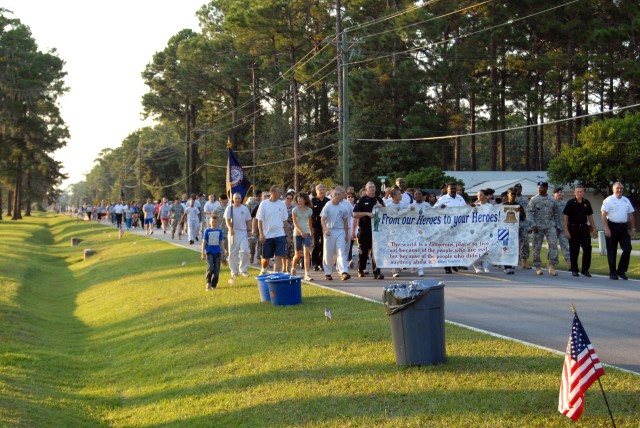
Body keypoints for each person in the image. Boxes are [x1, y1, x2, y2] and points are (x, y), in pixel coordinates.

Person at [601, 182, 636, 280]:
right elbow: (603, 215)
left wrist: (633, 228)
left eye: (621, 188)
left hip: (623, 228)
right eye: (617, 188)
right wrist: (606, 228)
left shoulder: (626, 200)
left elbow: (630, 215)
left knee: (627, 248)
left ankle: (621, 270)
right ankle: (613, 273)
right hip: (612, 226)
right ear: (613, 189)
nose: (619, 190)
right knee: (612, 251)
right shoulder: (608, 200)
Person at [527, 181, 562, 276]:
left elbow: (557, 213)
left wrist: (558, 226)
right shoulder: (534, 199)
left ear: (546, 188)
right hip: (537, 226)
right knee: (536, 247)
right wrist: (533, 225)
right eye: (539, 187)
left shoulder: (552, 200)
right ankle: (538, 266)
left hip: (550, 225)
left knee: (553, 245)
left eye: (542, 188)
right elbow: (529, 213)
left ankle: (551, 266)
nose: (540, 189)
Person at [352, 181, 385, 279]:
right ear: (366, 190)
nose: (372, 189)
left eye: (374, 187)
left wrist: (382, 207)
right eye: (370, 187)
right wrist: (367, 213)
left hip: (376, 230)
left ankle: (377, 272)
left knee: (376, 251)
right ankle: (361, 269)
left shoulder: (378, 199)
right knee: (364, 251)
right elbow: (355, 214)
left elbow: (387, 213)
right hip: (365, 229)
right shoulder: (362, 200)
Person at [563, 185, 597, 277]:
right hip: (573, 228)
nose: (579, 193)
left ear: (584, 193)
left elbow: (590, 216)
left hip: (584, 228)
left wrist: (594, 228)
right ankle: (574, 270)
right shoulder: (570, 202)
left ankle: (585, 270)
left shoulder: (586, 202)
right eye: (578, 191)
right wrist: (566, 230)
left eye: (581, 191)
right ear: (574, 193)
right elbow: (565, 216)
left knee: (587, 248)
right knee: (574, 250)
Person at [256, 186, 291, 275]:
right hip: (267, 235)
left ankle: (275, 274)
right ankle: (263, 269)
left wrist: (287, 235)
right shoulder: (264, 204)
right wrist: (261, 234)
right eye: (279, 192)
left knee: (279, 256)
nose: (280, 194)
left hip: (280, 234)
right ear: (273, 193)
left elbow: (285, 221)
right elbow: (259, 220)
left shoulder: (282, 204)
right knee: (266, 258)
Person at [321, 186, 351, 281]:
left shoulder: (343, 207)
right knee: (328, 253)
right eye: (335, 194)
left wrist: (346, 234)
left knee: (341, 251)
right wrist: (326, 229)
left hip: (340, 231)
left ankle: (343, 272)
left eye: (338, 194)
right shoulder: (327, 206)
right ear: (331, 195)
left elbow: (346, 222)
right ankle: (328, 273)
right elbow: (322, 220)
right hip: (329, 231)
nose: (337, 196)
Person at [439, 183, 466, 273]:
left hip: (458, 226)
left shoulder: (460, 198)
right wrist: (440, 208)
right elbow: (434, 210)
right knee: (447, 247)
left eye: (454, 188)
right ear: (447, 189)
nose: (453, 190)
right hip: (446, 227)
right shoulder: (443, 199)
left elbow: (466, 209)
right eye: (451, 188)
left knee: (456, 246)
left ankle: (454, 263)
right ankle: (447, 267)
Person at [224, 192, 253, 280]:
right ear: (233, 199)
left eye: (239, 198)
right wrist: (230, 228)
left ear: (241, 199)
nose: (237, 200)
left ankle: (243, 270)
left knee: (245, 251)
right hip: (233, 232)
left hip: (243, 232)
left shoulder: (245, 208)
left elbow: (248, 220)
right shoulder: (229, 208)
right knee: (233, 253)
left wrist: (249, 230)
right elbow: (227, 220)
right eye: (235, 198)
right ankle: (234, 271)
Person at [500, 188, 524, 274]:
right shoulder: (503, 205)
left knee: (512, 248)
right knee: (505, 248)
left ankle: (509, 266)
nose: (513, 196)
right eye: (512, 194)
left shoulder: (518, 205)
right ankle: (505, 266)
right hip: (504, 230)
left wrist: (520, 213)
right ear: (508, 195)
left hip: (514, 230)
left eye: (515, 194)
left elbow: (523, 218)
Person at [292, 192, 314, 281]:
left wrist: (311, 234)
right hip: (297, 233)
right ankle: (293, 268)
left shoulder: (309, 210)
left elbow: (309, 223)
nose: (299, 199)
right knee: (297, 254)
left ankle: (307, 273)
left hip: (307, 233)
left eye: (301, 198)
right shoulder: (295, 210)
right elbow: (295, 223)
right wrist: (301, 232)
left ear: (305, 199)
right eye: (298, 198)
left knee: (306, 253)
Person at [201, 214, 226, 291]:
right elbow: (204, 242)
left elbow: (221, 242)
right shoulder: (207, 231)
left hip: (217, 252)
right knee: (210, 267)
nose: (214, 224)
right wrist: (202, 253)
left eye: (215, 222)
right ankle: (208, 283)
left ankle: (213, 285)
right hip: (209, 252)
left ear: (218, 223)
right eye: (212, 222)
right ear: (209, 222)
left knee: (217, 269)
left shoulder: (219, 231)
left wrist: (224, 250)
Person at [472, 190, 491, 274]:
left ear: (486, 196)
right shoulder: (475, 206)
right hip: (477, 231)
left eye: (481, 195)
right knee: (476, 249)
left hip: (487, 230)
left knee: (486, 249)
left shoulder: (490, 206)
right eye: (478, 195)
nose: (479, 197)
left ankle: (486, 266)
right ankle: (477, 266)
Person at [311, 184, 329, 271]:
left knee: (324, 244)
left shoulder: (328, 201)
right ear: (316, 191)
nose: (321, 191)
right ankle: (315, 262)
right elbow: (310, 214)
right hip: (315, 225)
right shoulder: (313, 201)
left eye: (323, 190)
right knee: (316, 243)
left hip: (325, 226)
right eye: (320, 190)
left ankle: (322, 262)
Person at [513, 183, 531, 269]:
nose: (518, 189)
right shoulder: (510, 198)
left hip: (523, 223)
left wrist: (530, 224)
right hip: (512, 224)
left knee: (525, 242)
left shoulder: (525, 199)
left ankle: (524, 261)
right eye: (516, 188)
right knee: (513, 242)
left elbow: (529, 211)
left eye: (520, 188)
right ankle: (512, 261)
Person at [553, 187, 571, 265]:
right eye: (558, 192)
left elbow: (568, 215)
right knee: (553, 246)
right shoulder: (551, 202)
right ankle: (552, 263)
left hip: (563, 227)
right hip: (553, 227)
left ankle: (569, 263)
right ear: (554, 194)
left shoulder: (565, 203)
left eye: (561, 192)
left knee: (565, 246)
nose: (560, 194)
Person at [213, 194, 229, 263]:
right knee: (222, 245)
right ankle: (223, 260)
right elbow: (213, 218)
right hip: (220, 230)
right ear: (222, 200)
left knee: (228, 246)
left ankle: (226, 256)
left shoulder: (229, 208)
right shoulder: (217, 209)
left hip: (228, 229)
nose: (227, 200)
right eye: (225, 199)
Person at [283, 190, 296, 273]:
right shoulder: (281, 207)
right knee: (283, 249)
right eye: (287, 198)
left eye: (291, 199)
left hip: (291, 229)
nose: (289, 200)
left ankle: (288, 266)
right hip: (282, 229)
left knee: (290, 249)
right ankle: (284, 266)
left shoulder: (294, 208)